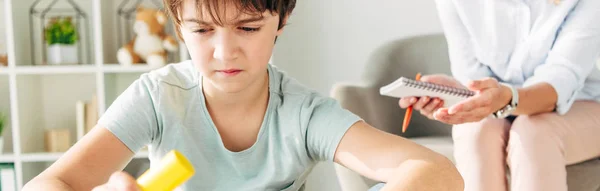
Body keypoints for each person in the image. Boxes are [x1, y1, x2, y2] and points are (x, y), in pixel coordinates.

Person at [23, 0, 464, 190]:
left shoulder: (302, 114)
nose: (224, 52)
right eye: (201, 30)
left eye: (249, 28)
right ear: (179, 28)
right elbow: (52, 182)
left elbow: (436, 172)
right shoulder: (159, 97)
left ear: (281, 21)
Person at [399, 0, 600, 191]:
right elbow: (473, 77)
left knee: (534, 132)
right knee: (475, 131)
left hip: (586, 104)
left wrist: (507, 98)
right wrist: (456, 91)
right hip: (507, 107)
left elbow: (559, 81)